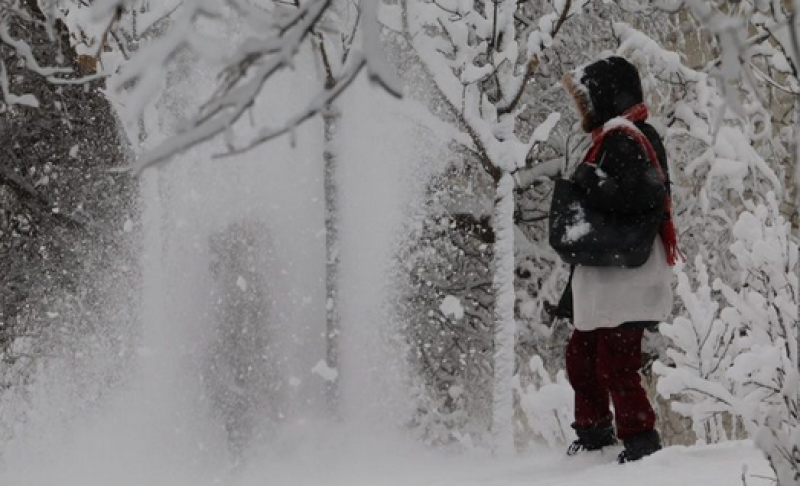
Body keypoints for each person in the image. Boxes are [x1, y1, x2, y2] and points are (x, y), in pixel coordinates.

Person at [556, 56, 681, 463]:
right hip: (613, 269)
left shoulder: (624, 137)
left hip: (625, 270)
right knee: (585, 355)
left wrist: (589, 183)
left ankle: (641, 442)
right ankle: (594, 435)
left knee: (614, 360)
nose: (583, 108)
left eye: (587, 97)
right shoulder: (623, 134)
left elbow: (642, 196)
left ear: (605, 95)